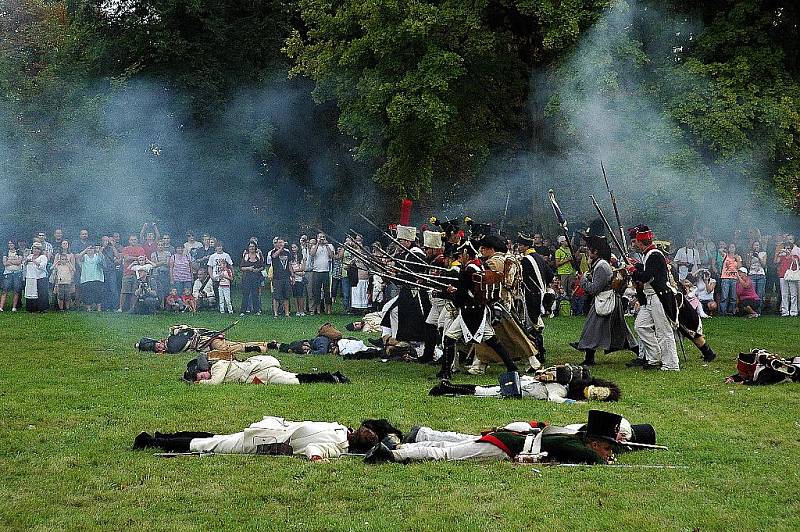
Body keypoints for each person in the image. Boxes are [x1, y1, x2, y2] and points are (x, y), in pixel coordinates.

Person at [364, 410, 653, 466]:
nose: (606, 451)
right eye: (605, 446)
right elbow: (593, 459)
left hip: (510, 439)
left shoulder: (571, 435)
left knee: (448, 446)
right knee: (446, 454)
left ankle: (407, 445)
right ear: (593, 442)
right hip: (506, 447)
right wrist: (609, 461)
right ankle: (393, 454)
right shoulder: (573, 443)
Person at [133, 416, 400, 461]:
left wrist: (316, 457)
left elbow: (316, 449)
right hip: (271, 427)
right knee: (215, 437)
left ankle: (153, 442)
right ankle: (163, 436)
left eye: (371, 435)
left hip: (265, 442)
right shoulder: (342, 429)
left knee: (210, 443)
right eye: (370, 429)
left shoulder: (338, 447)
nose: (369, 431)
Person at [571, 234, 638, 366]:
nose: (587, 251)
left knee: (592, 328)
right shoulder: (599, 264)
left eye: (589, 249)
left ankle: (589, 357)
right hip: (606, 299)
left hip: (606, 300)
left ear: (595, 251)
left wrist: (583, 280)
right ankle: (589, 356)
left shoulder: (601, 266)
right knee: (617, 331)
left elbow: (594, 289)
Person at [429, 365, 620, 403]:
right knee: (482, 391)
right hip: (522, 388)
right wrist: (576, 404)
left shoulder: (562, 384)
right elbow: (555, 399)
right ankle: (447, 388)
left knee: (483, 389)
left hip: (523, 385)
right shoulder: (560, 388)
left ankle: (449, 388)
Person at [629, 225, 679, 371]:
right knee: (641, 326)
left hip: (659, 297)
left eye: (635, 242)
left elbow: (647, 276)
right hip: (650, 298)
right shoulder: (649, 255)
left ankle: (671, 364)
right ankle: (654, 357)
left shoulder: (654, 254)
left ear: (641, 241)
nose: (634, 244)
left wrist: (633, 270)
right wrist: (637, 265)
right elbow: (648, 270)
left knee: (664, 331)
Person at [181, 354, 350, 386]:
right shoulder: (218, 366)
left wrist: (198, 384)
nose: (203, 377)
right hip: (259, 372)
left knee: (293, 381)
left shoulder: (218, 366)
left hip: (263, 369)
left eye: (202, 374)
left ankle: (331, 378)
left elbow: (215, 382)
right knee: (294, 377)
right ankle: (332, 377)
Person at [118, 235, 146, 312]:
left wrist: (133, 258)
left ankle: (132, 308)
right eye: (132, 240)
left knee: (135, 292)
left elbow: (143, 259)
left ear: (137, 240)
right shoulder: (126, 249)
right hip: (127, 273)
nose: (133, 241)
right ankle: (120, 308)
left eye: (135, 239)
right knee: (124, 292)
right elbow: (126, 258)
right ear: (129, 241)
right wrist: (137, 258)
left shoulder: (141, 249)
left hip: (137, 274)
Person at [309, 233, 335, 315]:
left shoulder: (330, 246)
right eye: (320, 237)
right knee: (317, 291)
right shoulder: (314, 246)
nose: (322, 238)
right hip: (316, 271)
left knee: (327, 291)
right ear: (317, 238)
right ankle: (318, 309)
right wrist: (317, 243)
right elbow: (312, 254)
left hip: (326, 271)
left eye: (323, 237)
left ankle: (329, 310)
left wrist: (326, 245)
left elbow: (331, 256)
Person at [775, 236, 799, 317]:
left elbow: (796, 263)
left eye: (789, 248)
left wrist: (790, 254)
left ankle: (793, 311)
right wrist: (778, 253)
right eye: (786, 248)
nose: (787, 249)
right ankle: (784, 311)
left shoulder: (795, 255)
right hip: (783, 275)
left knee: (793, 294)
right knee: (784, 294)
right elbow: (776, 261)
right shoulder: (782, 255)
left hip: (792, 275)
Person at [77, 244, 105, 311]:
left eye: (92, 249)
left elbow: (102, 259)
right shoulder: (85, 256)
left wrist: (99, 251)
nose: (90, 250)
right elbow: (78, 257)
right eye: (89, 249)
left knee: (98, 293)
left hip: (97, 277)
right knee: (87, 294)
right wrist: (85, 250)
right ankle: (88, 308)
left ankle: (99, 308)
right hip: (86, 278)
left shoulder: (97, 255)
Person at [269, 238, 293, 318]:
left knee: (286, 296)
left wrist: (292, 274)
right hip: (277, 278)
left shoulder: (287, 253)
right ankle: (275, 313)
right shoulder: (273, 251)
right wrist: (280, 249)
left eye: (282, 242)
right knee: (276, 296)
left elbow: (289, 264)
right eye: (279, 242)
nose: (280, 244)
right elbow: (274, 256)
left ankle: (287, 313)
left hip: (286, 277)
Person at [240, 241, 264, 315]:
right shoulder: (246, 256)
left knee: (255, 294)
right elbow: (241, 267)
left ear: (255, 247)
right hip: (247, 277)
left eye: (253, 246)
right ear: (248, 248)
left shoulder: (258, 255)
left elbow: (262, 266)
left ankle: (256, 310)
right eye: (250, 247)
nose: (252, 248)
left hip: (256, 277)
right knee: (246, 294)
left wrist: (258, 270)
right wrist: (248, 268)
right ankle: (243, 311)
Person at [24, 242, 49, 312]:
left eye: (38, 249)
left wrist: (33, 261)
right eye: (34, 249)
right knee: (30, 292)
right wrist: (26, 261)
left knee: (41, 293)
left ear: (40, 250)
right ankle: (31, 308)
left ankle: (42, 308)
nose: (36, 251)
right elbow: (24, 265)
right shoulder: (29, 256)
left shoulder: (43, 257)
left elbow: (42, 266)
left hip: (40, 277)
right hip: (30, 277)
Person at [207, 241, 233, 305]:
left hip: (225, 277)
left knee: (226, 292)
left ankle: (228, 305)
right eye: (218, 246)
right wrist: (211, 276)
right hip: (216, 276)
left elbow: (230, 265)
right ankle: (219, 306)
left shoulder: (226, 255)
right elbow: (210, 267)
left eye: (220, 246)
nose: (219, 248)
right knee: (217, 292)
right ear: (215, 248)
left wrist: (231, 275)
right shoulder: (212, 256)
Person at [719, 243, 742, 316]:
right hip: (725, 278)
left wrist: (738, 259)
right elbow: (720, 250)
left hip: (734, 278)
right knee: (724, 296)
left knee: (733, 297)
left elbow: (740, 268)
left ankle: (732, 312)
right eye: (730, 247)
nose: (732, 248)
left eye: (733, 247)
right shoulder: (725, 255)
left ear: (735, 248)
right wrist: (725, 248)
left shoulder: (738, 257)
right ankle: (723, 312)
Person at [1, 240, 24, 311]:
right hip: (8, 273)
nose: (10, 244)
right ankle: (1, 307)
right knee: (5, 290)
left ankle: (14, 307)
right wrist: (14, 262)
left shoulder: (19, 252)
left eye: (11, 243)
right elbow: (4, 263)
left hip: (17, 273)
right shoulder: (6, 252)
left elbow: (19, 262)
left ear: (15, 244)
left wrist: (10, 261)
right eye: (9, 243)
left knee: (16, 290)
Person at [52, 244, 76, 311]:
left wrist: (72, 277)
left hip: (68, 279)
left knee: (68, 294)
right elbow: (53, 267)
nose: (65, 245)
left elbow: (73, 268)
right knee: (60, 295)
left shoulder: (71, 255)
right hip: (59, 279)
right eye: (63, 243)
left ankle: (68, 307)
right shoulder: (57, 255)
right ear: (61, 245)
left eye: (66, 243)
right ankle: (60, 308)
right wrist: (55, 276)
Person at [748, 241, 767, 314]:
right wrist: (750, 257)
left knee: (759, 294)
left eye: (758, 245)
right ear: (752, 246)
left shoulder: (763, 253)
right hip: (752, 275)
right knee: (752, 294)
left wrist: (758, 256)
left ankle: (758, 311)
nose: (757, 247)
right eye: (755, 245)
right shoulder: (750, 254)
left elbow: (764, 265)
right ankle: (752, 311)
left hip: (761, 275)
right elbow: (748, 265)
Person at [150, 240, 171, 305]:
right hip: (156, 273)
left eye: (162, 245)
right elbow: (153, 264)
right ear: (157, 246)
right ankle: (159, 304)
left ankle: (166, 304)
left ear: (164, 246)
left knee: (165, 288)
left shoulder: (168, 253)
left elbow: (167, 263)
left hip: (165, 273)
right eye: (159, 245)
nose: (160, 246)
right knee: (158, 289)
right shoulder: (153, 254)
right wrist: (162, 262)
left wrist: (158, 263)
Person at [290, 243, 307, 316]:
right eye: (292, 247)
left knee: (300, 295)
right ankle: (297, 311)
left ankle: (302, 310)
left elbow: (303, 268)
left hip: (300, 279)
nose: (293, 249)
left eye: (295, 247)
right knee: (295, 295)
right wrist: (295, 272)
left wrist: (294, 271)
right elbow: (289, 267)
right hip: (293, 278)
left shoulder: (301, 257)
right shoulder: (290, 257)